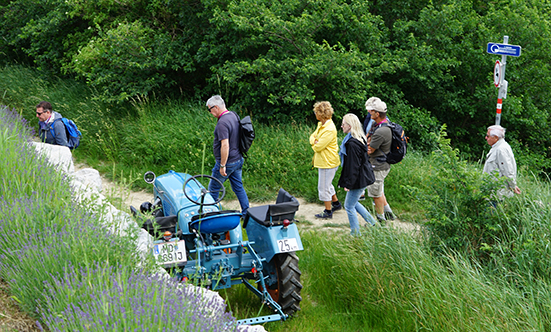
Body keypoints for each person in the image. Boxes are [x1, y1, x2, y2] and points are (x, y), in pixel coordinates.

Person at [206, 95, 250, 216]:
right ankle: (246, 214)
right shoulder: (233, 115)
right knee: (238, 188)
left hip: (228, 162)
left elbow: (225, 145)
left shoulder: (222, 123)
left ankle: (210, 215)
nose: (210, 113)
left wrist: (222, 165)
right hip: (238, 159)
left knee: (213, 189)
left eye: (210, 110)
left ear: (215, 107)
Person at [338, 114, 377, 235]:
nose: (341, 126)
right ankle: (373, 224)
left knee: (349, 206)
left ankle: (355, 234)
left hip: (359, 179)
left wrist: (349, 184)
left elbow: (353, 166)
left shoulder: (352, 144)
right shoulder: (359, 137)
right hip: (364, 176)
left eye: (343, 124)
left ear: (349, 126)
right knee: (354, 203)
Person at [365, 97, 397, 223]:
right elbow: (367, 139)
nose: (369, 113)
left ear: (377, 113)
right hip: (382, 163)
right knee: (380, 189)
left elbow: (369, 149)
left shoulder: (380, 131)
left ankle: (381, 221)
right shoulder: (381, 124)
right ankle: (389, 213)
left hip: (378, 166)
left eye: (371, 111)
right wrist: (368, 142)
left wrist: (367, 143)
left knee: (376, 194)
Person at [310, 101, 342, 219]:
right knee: (327, 184)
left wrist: (314, 143)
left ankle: (328, 211)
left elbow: (318, 147)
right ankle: (336, 204)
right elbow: (312, 137)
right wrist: (314, 140)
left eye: (316, 112)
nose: (315, 114)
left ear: (320, 113)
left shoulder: (329, 129)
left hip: (327, 162)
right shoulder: (321, 125)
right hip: (325, 161)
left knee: (323, 187)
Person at [483, 124, 521, 197]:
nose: (486, 138)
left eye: (488, 136)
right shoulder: (497, 147)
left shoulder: (501, 149)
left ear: (496, 138)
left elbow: (508, 171)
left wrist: (513, 186)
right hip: (492, 192)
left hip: (498, 194)